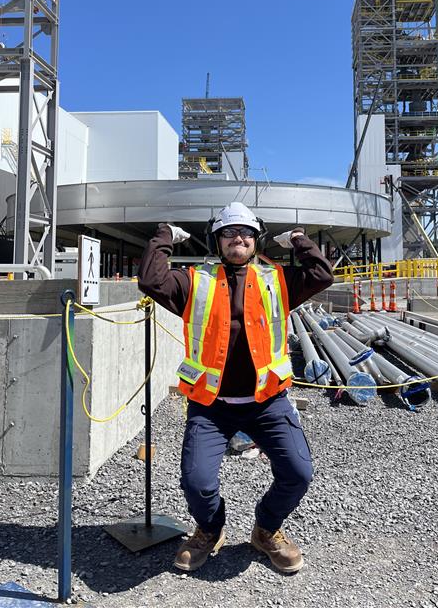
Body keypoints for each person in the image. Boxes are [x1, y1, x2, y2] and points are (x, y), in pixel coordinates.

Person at [137, 202, 334, 574]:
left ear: (256, 240)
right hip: (212, 405)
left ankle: (267, 529)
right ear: (218, 240)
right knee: (196, 481)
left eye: (245, 233)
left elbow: (322, 274)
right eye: (229, 233)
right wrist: (164, 237)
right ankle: (210, 530)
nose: (237, 238)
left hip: (267, 401)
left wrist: (297, 239)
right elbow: (150, 280)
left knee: (298, 473)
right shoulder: (194, 281)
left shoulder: (277, 279)